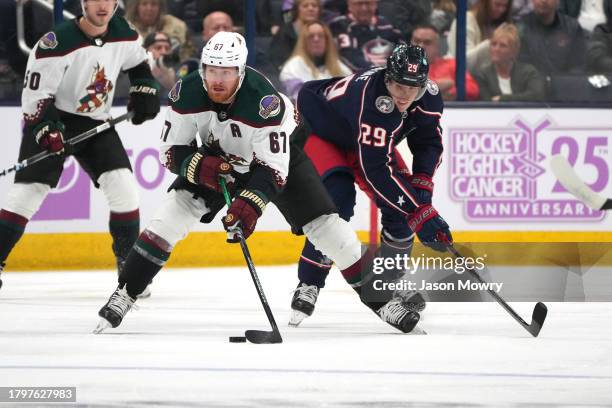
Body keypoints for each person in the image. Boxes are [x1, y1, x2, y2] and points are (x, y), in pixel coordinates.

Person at [94, 32, 425, 335]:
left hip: (278, 158)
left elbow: (273, 171)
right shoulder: (186, 92)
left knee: (326, 227)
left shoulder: (264, 102)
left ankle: (383, 302)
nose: (217, 80)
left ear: (240, 71)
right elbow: (170, 153)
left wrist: (247, 208)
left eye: (226, 72)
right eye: (211, 70)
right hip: (219, 156)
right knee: (172, 214)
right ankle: (126, 291)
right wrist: (205, 168)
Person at [289, 44, 453, 326]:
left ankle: (390, 279)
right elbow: (375, 170)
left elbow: (428, 143)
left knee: (405, 208)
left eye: (412, 89)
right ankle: (310, 281)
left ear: (424, 85)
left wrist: (422, 189)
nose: (404, 96)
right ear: (388, 78)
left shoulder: (429, 97)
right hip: (321, 130)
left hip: (364, 142)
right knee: (335, 204)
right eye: (398, 86)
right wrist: (419, 211)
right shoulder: (374, 100)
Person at [0, 0, 160, 290]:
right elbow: (36, 97)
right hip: (54, 119)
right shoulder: (55, 43)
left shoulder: (124, 31)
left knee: (124, 190)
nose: (103, 6)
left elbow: (138, 62)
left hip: (94, 122)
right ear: (83, 3)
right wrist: (46, 130)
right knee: (27, 195)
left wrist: (143, 85)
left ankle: (128, 268)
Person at [279, 21, 352, 102]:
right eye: (311, 36)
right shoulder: (292, 68)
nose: (316, 39)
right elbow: (299, 99)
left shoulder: (341, 68)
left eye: (320, 36)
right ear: (303, 42)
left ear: (327, 41)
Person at [474, 23, 545, 101]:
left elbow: (536, 95)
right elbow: (487, 103)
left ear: (514, 51)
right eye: (493, 44)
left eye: (503, 45)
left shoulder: (529, 72)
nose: (496, 49)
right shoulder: (482, 75)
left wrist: (502, 99)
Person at [411, 24, 480, 101]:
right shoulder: (401, 66)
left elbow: (473, 90)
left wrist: (453, 92)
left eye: (427, 42)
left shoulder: (452, 64)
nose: (421, 46)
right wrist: (438, 86)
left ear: (437, 46)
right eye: (417, 41)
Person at [328, 0, 402, 70]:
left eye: (368, 3)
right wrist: (374, 71)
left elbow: (402, 49)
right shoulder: (339, 25)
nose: (364, 8)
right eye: (359, 4)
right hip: (358, 76)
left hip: (390, 74)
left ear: (375, 4)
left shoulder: (387, 24)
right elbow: (347, 56)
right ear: (349, 5)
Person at [517, 0, 586, 75]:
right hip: (532, 83)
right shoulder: (521, 29)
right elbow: (522, 68)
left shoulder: (573, 28)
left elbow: (578, 66)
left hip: (565, 83)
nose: (543, 1)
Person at [447, 0, 513, 73]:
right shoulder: (465, 20)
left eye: (505, 6)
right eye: (497, 5)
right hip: (458, 77)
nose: (501, 10)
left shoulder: (497, 24)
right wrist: (491, 42)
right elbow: (463, 62)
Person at [125, 0, 194, 61]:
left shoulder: (175, 25)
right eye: (144, 4)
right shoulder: (126, 28)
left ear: (160, 8)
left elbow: (187, 52)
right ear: (136, 7)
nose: (149, 8)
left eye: (154, 4)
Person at [270, 0, 321, 71]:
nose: (310, 9)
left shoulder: (324, 31)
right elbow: (278, 61)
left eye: (314, 6)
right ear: (297, 10)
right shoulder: (285, 32)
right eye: (305, 6)